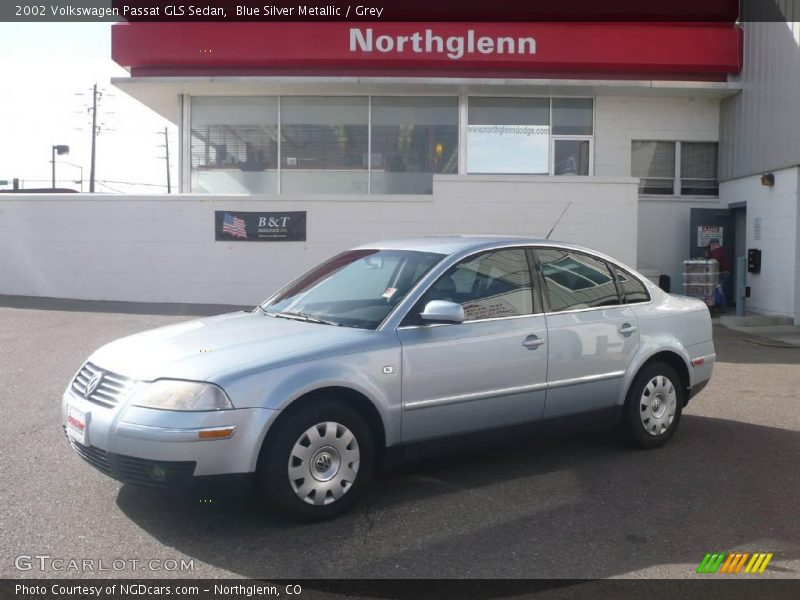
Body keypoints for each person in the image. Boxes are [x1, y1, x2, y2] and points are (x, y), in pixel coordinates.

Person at [706, 238, 730, 310]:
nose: (710, 247)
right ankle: (722, 306)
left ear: (714, 245)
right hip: (723, 272)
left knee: (719, 288)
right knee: (719, 288)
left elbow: (714, 261)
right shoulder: (720, 251)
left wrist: (708, 256)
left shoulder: (718, 251)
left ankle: (723, 307)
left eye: (711, 245)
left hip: (722, 272)